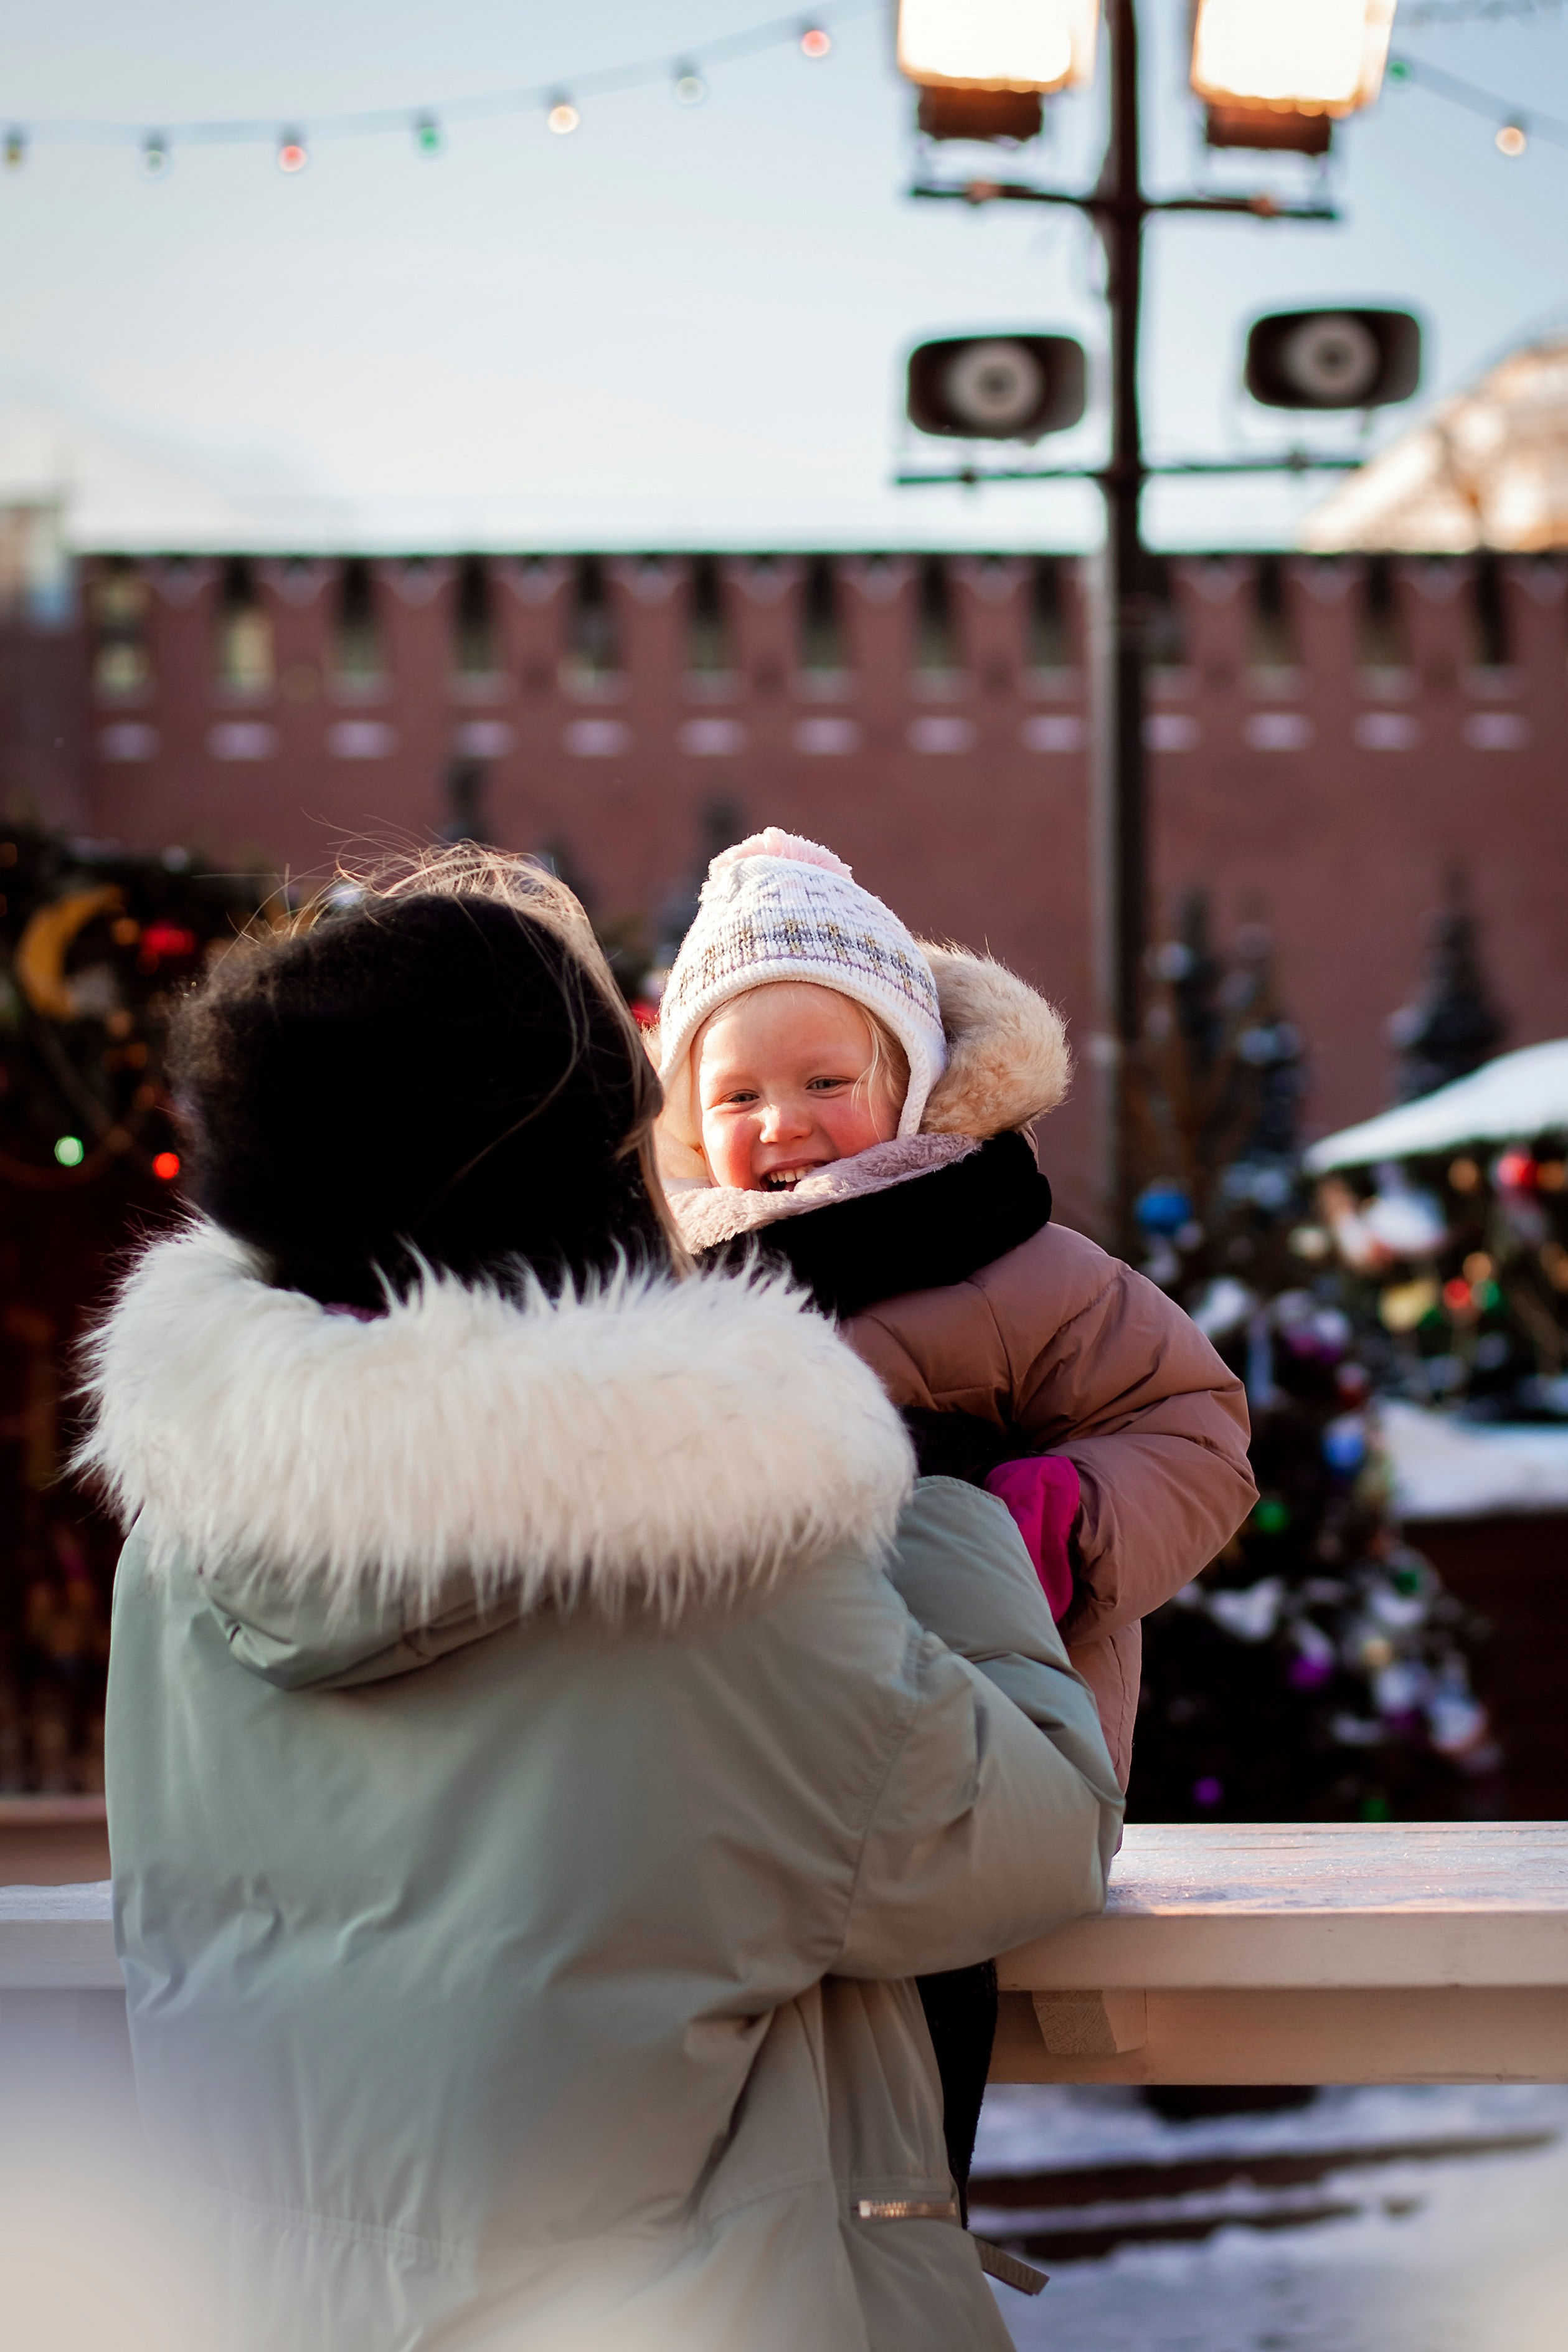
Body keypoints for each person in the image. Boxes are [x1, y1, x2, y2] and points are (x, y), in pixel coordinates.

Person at [80, 847, 1123, 2352]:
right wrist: (933, 1491)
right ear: (577, 1175)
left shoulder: (183, 1539)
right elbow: (1030, 1833)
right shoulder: (708, 1565)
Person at [652, 829, 1257, 2203]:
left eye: (826, 1081)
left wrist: (1055, 1523)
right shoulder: (662, 1284)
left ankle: (903, 2229)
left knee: (904, 2099)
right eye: (738, 1091)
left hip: (980, 1748)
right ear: (686, 1111)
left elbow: (1192, 1428)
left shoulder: (1018, 1262)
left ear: (913, 1081)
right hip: (731, 1770)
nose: (782, 1122)